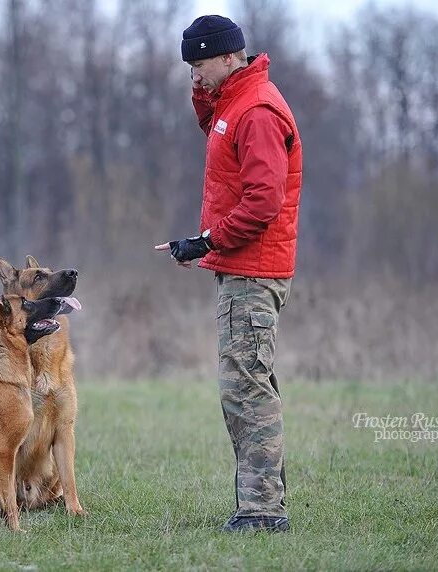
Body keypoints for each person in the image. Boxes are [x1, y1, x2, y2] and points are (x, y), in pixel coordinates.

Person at [155, 14, 302, 533]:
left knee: (245, 388)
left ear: (227, 57)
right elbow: (214, 129)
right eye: (190, 67)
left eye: (199, 64)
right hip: (244, 266)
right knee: (249, 380)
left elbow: (264, 200)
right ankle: (265, 501)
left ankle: (262, 512)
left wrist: (208, 240)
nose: (195, 74)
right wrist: (201, 92)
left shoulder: (258, 110)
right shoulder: (236, 103)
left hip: (252, 268)